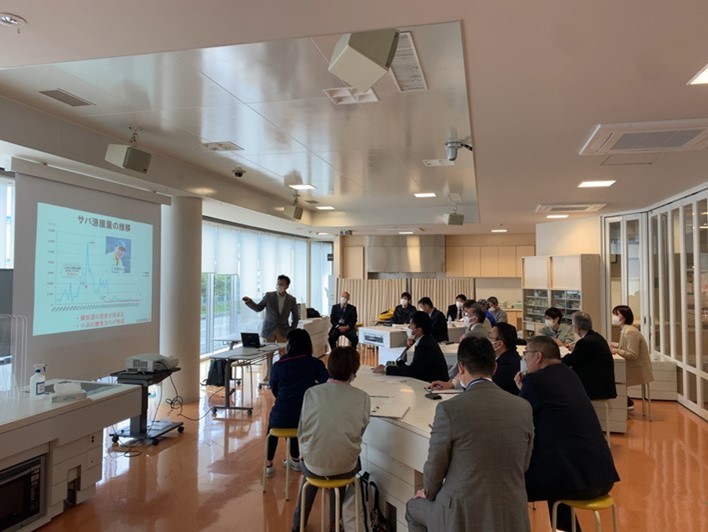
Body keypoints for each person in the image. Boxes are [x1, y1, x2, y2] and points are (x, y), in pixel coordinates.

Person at [406, 336, 534, 532]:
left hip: (461, 512)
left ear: (461, 367)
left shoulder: (449, 409)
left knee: (413, 508)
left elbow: (435, 467)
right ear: (495, 368)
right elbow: (523, 464)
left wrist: (429, 492)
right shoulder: (523, 407)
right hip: (511, 510)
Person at [515, 335, 620, 532]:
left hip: (575, 480)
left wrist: (523, 388)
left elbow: (517, 417)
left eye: (526, 354)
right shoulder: (570, 375)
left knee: (509, 485)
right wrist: (525, 389)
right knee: (556, 469)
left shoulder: (536, 381)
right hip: (601, 475)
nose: (524, 359)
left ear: (538, 356)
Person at [292, 346, 370, 532]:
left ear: (329, 366)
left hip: (313, 463)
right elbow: (360, 432)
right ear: (354, 371)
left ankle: (298, 522)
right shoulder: (363, 397)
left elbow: (302, 430)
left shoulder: (311, 393)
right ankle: (336, 523)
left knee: (310, 469)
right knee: (345, 459)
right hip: (344, 467)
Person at [265, 329, 329, 477]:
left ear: (290, 345)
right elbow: (327, 383)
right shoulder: (315, 363)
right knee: (297, 415)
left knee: (275, 422)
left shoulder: (279, 365)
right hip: (307, 417)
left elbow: (274, 388)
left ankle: (268, 465)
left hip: (282, 415)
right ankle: (295, 459)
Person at [431, 322, 521, 395]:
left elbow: (479, 384)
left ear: (499, 344)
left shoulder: (508, 364)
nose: (487, 339)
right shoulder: (496, 356)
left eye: (490, 337)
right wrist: (451, 384)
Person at [372, 311, 449, 383]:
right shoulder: (426, 339)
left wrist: (386, 369)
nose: (409, 327)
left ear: (419, 330)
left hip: (433, 384)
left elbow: (413, 371)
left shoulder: (425, 345)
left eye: (411, 325)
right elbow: (408, 364)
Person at [562, 311, 617, 400]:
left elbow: (570, 361)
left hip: (593, 387)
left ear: (577, 328)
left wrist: (556, 360)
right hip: (602, 384)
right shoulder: (597, 337)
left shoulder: (585, 342)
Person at [610, 305, 653, 410]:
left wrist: (615, 350)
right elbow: (625, 346)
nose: (614, 317)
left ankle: (624, 402)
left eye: (617, 314)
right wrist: (613, 345)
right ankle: (624, 401)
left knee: (613, 377)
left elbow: (633, 354)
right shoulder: (626, 329)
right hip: (632, 367)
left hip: (636, 369)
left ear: (624, 317)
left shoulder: (630, 332)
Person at [243, 274, 299, 342]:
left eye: (281, 284)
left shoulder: (291, 299)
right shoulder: (269, 296)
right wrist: (249, 302)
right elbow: (258, 308)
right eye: (278, 283)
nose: (279, 285)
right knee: (267, 349)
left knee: (283, 349)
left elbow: (296, 317)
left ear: (287, 286)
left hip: (284, 331)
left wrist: (292, 329)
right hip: (268, 330)